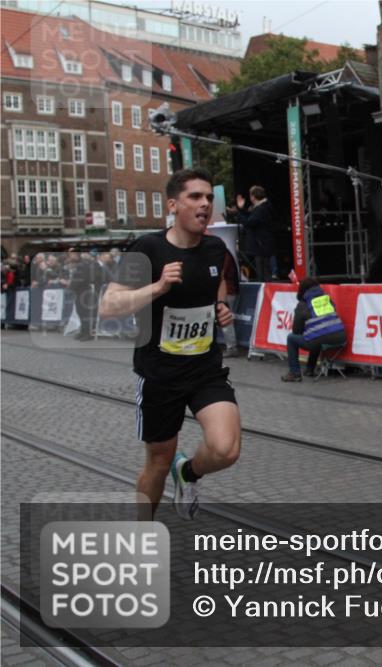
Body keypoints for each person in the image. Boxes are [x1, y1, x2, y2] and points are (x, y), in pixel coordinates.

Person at [99, 168, 240, 520]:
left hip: (205, 368)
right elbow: (108, 306)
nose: (205, 204)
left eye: (208, 197)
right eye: (195, 197)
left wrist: (220, 307)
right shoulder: (148, 248)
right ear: (173, 205)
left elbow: (217, 284)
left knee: (226, 449)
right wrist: (158, 287)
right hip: (160, 373)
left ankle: (188, 472)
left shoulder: (215, 248)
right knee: (159, 461)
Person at [281, 277, 347, 381]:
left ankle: (294, 373)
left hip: (321, 340)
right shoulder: (327, 299)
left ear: (302, 290)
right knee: (315, 336)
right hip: (341, 337)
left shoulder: (303, 304)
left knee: (292, 338)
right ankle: (309, 369)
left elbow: (296, 331)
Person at [236, 186, 276, 282]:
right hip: (262, 244)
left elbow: (249, 222)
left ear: (253, 196)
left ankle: (266, 289)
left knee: (263, 274)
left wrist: (239, 212)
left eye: (250, 195)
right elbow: (250, 219)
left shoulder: (261, 209)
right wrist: (241, 210)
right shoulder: (262, 207)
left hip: (261, 245)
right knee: (263, 272)